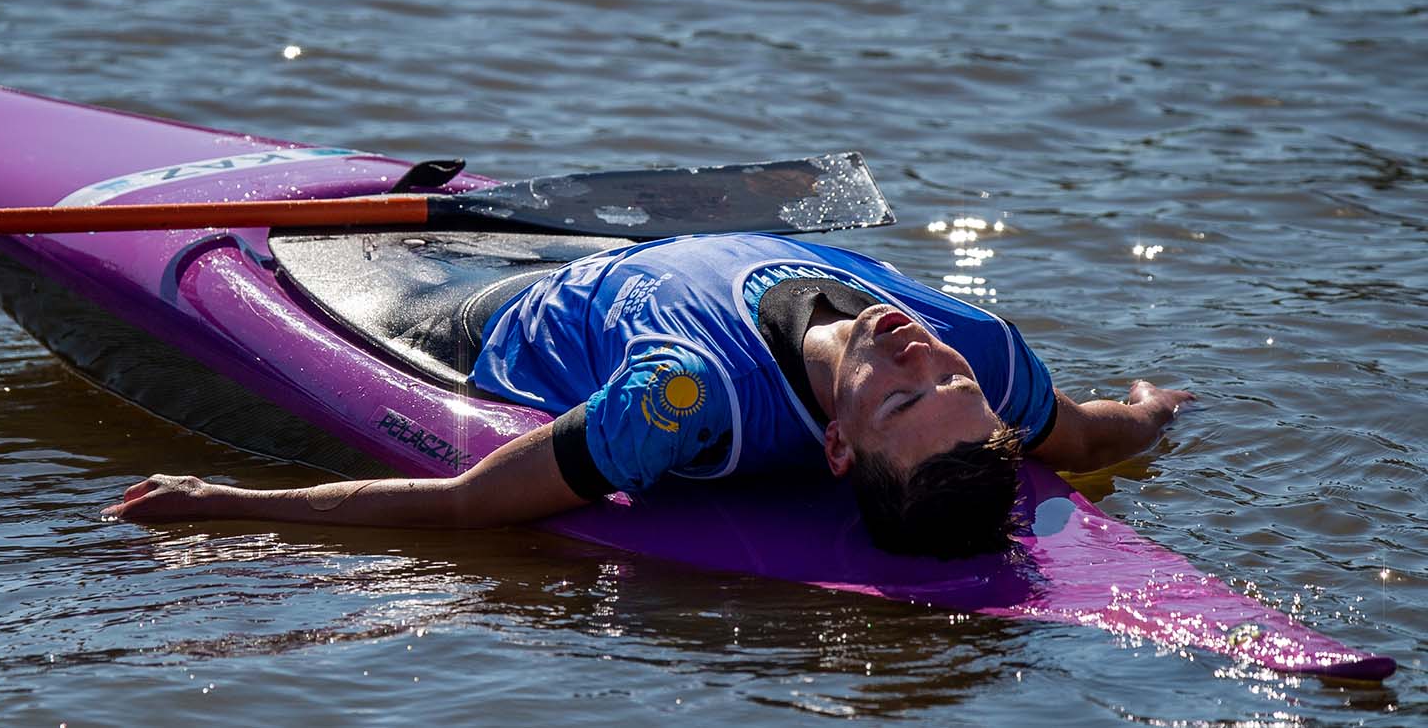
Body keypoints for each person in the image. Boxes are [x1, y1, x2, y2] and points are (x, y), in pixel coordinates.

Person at [104, 233, 1194, 559]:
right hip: (675, 249)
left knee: (391, 281)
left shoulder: (678, 400)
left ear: (836, 451)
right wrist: (1157, 406)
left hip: (517, 305)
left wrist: (229, 502)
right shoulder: (989, 359)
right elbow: (1093, 430)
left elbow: (469, 507)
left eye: (905, 400)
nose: (920, 353)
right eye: (943, 379)